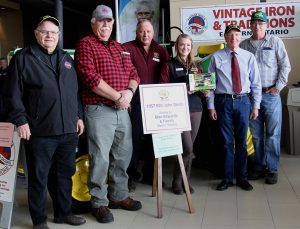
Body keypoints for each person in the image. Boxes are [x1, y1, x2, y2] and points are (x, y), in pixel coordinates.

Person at [3, 16, 86, 229]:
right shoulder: (23, 58)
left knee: (65, 175)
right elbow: (12, 94)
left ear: (58, 37)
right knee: (39, 178)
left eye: (54, 32)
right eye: (45, 31)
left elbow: (74, 92)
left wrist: (78, 116)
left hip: (68, 130)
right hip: (40, 131)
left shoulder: (66, 59)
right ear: (36, 33)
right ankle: (39, 220)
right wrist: (21, 120)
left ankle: (63, 213)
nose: (50, 35)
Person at [74, 5, 142, 224]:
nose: (106, 24)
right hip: (99, 109)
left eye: (109, 21)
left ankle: (119, 196)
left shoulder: (119, 47)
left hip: (122, 108)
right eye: (101, 21)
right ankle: (99, 202)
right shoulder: (86, 44)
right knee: (100, 157)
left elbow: (134, 74)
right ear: (93, 22)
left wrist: (129, 94)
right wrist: (117, 96)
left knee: (123, 154)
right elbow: (89, 77)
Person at [207, 24, 262, 191]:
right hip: (223, 102)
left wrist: (256, 106)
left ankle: (242, 177)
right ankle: (227, 178)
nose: (234, 38)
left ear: (240, 37)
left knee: (242, 142)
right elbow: (210, 85)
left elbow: (256, 84)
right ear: (225, 38)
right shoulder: (215, 57)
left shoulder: (249, 57)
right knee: (226, 142)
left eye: (237, 35)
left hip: (243, 101)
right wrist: (210, 106)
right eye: (230, 35)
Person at [240, 11, 291, 184]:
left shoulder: (275, 42)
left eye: (261, 23)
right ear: (250, 25)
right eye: (254, 23)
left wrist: (278, 87)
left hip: (270, 95)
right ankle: (259, 167)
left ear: (266, 25)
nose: (257, 26)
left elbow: (285, 66)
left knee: (272, 134)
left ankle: (272, 169)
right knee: (256, 135)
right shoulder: (244, 45)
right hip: (252, 97)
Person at [123, 19, 169, 192]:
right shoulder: (127, 48)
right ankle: (132, 175)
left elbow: (167, 74)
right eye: (142, 31)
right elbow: (122, 73)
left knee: (154, 141)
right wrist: (125, 96)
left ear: (153, 33)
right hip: (134, 103)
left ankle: (152, 175)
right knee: (132, 140)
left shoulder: (161, 51)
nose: (145, 35)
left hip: (156, 105)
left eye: (148, 31)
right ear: (136, 32)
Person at [160, 34, 204, 194]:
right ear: (176, 46)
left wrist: (204, 91)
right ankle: (177, 181)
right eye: (181, 45)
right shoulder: (168, 65)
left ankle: (186, 181)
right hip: (179, 110)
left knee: (190, 148)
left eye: (188, 45)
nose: (185, 48)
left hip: (196, 109)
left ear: (191, 47)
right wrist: (184, 89)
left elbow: (201, 86)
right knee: (187, 147)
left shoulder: (196, 66)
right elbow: (162, 90)